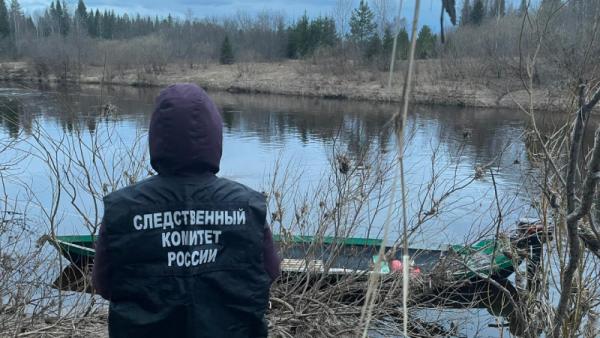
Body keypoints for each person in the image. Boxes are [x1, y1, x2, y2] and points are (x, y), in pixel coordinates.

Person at [92, 83, 280, 338]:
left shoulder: (123, 210)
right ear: (215, 135)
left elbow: (104, 285)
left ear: (156, 136)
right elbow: (270, 272)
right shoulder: (248, 207)